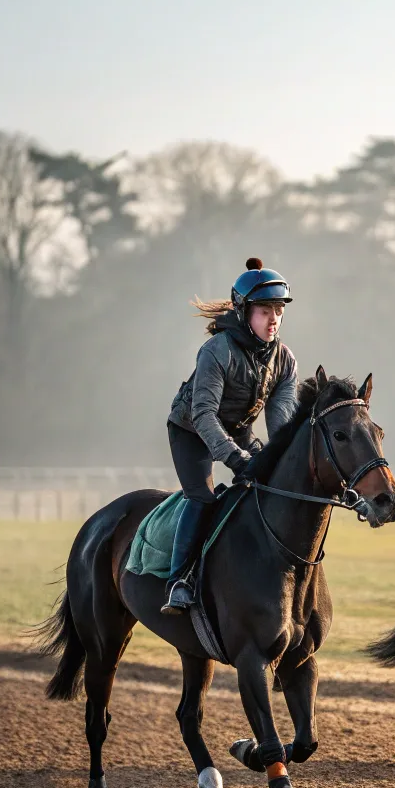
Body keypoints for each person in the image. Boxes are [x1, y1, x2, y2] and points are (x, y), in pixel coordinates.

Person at [161, 257, 298, 614]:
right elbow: (203, 414)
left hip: (238, 429)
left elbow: (281, 422)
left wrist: (278, 462)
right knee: (203, 498)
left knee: (269, 486)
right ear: (243, 312)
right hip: (192, 431)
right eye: (264, 310)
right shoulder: (216, 351)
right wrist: (236, 458)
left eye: (278, 311)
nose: (273, 319)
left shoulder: (285, 360)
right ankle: (180, 579)